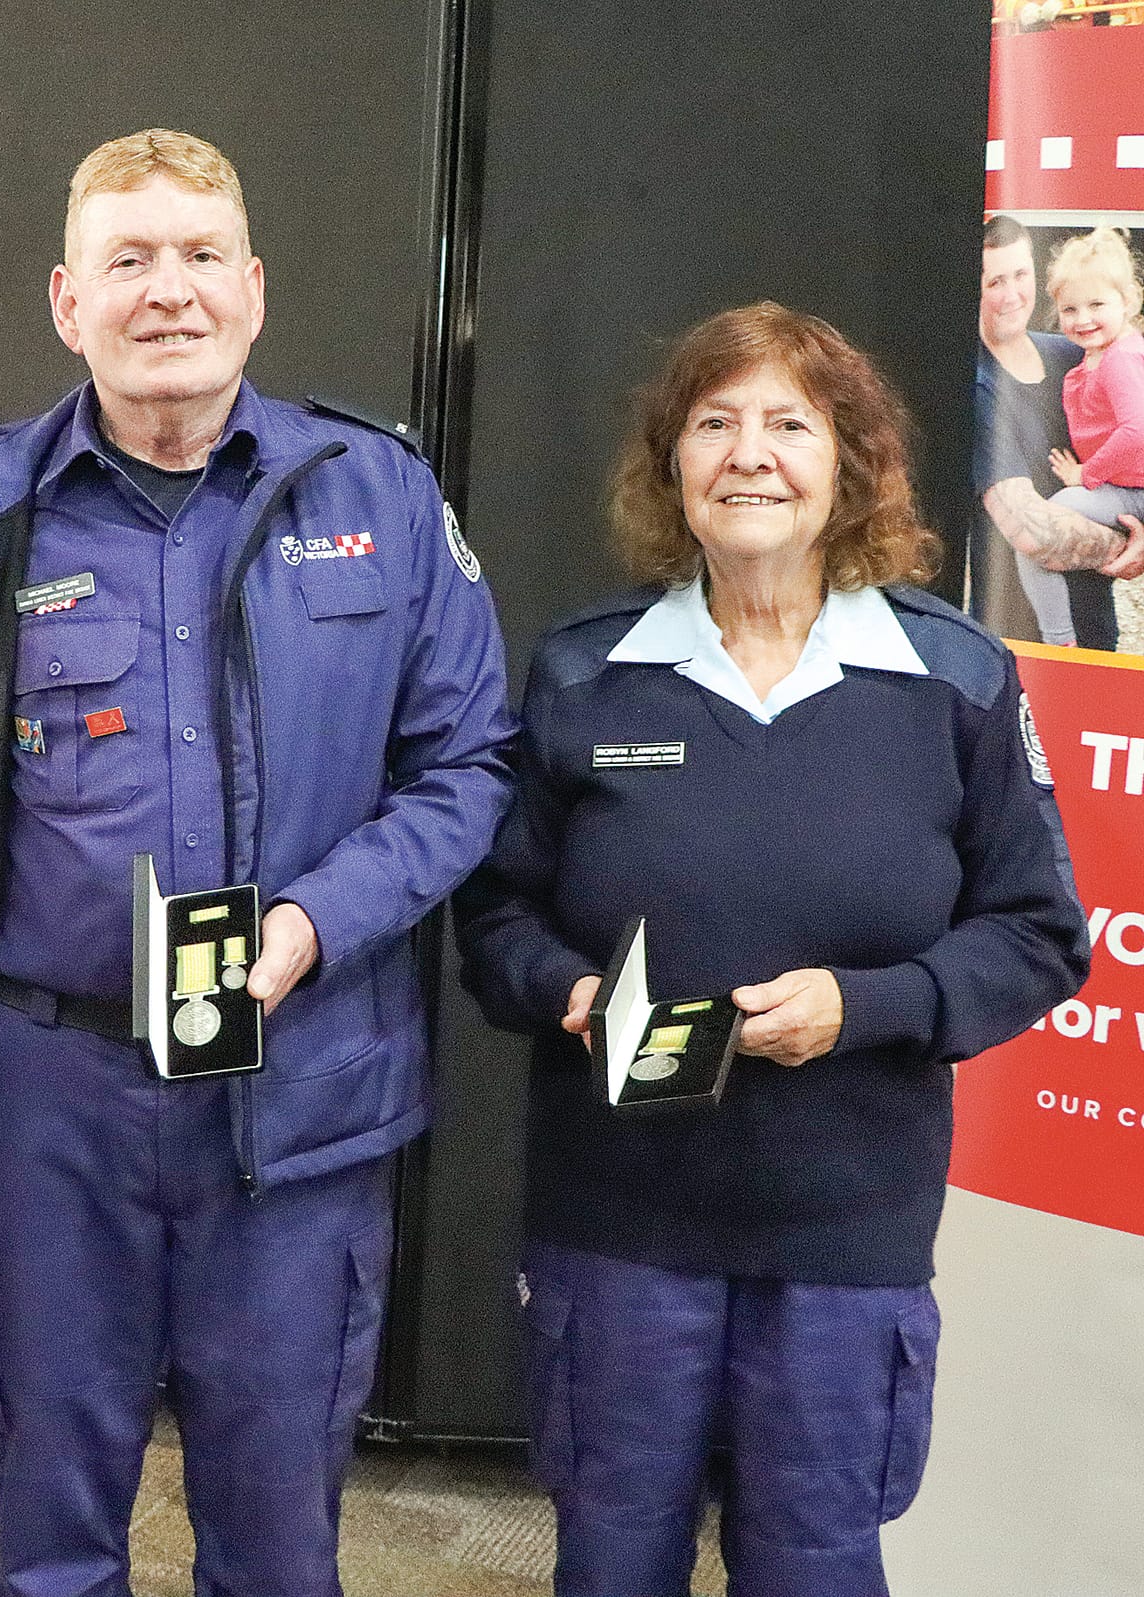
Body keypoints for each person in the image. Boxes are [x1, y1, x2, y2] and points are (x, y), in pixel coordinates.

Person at [0, 128, 514, 1596]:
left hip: (298, 1081)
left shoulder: (378, 500)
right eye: (128, 259)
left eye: (201, 254)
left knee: (276, 1533)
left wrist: (319, 922)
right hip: (48, 1099)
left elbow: (469, 769)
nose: (169, 291)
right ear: (68, 302)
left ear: (255, 289)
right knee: (51, 1519)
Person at [455, 302, 1090, 1597]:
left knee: (813, 1567)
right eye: (715, 423)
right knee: (614, 1558)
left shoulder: (956, 680)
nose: (751, 454)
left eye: (789, 425)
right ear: (671, 463)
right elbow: (494, 917)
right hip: (619, 1229)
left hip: (843, 1237)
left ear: (850, 463)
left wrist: (862, 1008)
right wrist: (569, 991)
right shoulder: (588, 673)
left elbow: (1037, 938)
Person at [976, 216, 1144, 647]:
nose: (1012, 295)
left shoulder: (1077, 354)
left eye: (1020, 274)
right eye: (994, 281)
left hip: (1097, 626)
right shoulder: (976, 385)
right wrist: (1124, 550)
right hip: (1013, 636)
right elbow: (1032, 532)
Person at [1044, 227, 1144, 654]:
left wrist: (1087, 475)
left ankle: (1057, 638)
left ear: (1128, 301)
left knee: (1042, 524)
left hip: (1130, 490)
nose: (1082, 319)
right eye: (1070, 309)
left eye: (1097, 304)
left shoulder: (1122, 357)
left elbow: (1136, 430)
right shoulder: (1098, 356)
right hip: (1121, 488)